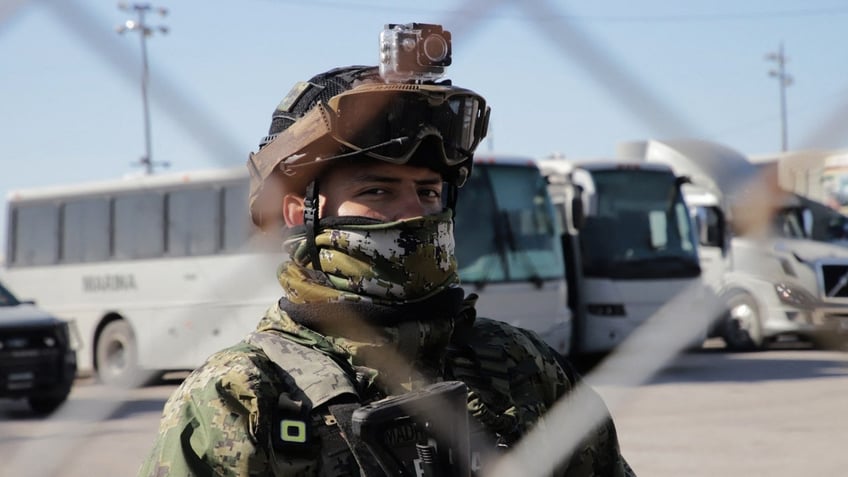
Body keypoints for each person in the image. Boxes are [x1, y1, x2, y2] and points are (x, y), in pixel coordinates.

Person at [139, 24, 633, 477]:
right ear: (298, 212)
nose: (413, 214)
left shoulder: (522, 366)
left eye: (429, 192)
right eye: (378, 192)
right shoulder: (241, 395)